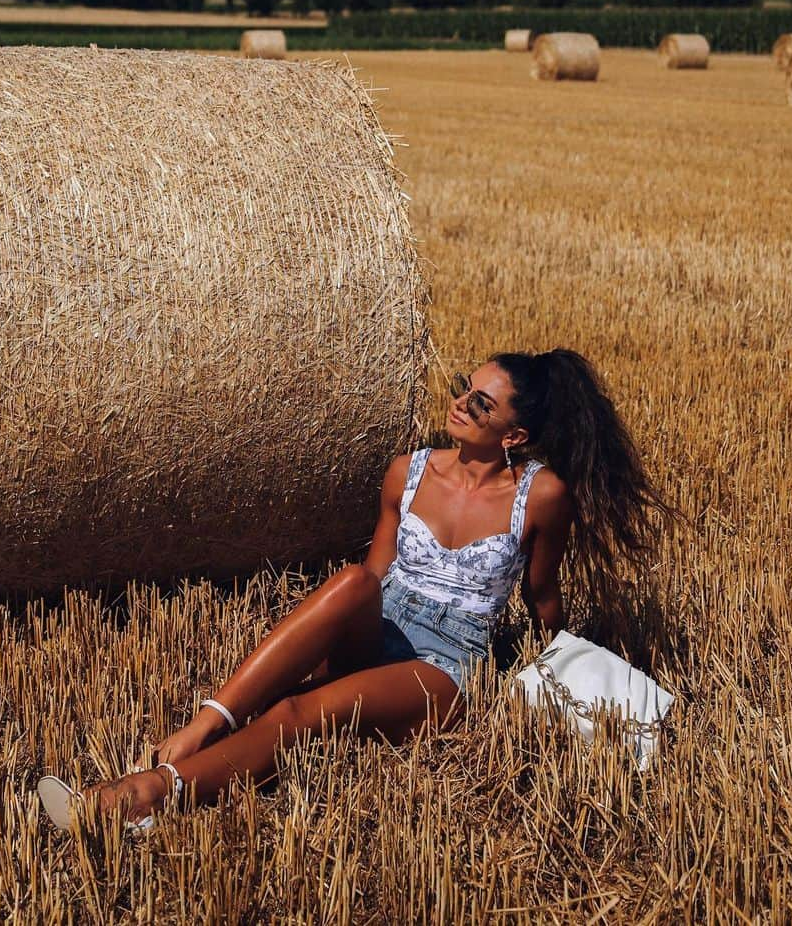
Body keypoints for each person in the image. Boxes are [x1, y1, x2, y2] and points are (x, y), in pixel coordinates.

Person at [38, 349, 672, 831]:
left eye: (482, 403)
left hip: (445, 663)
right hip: (383, 621)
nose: (461, 403)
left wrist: (562, 667)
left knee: (300, 713)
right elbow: (371, 579)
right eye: (464, 389)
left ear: (514, 436)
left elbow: (542, 596)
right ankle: (209, 722)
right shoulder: (409, 471)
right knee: (349, 581)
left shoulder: (542, 495)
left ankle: (145, 796)